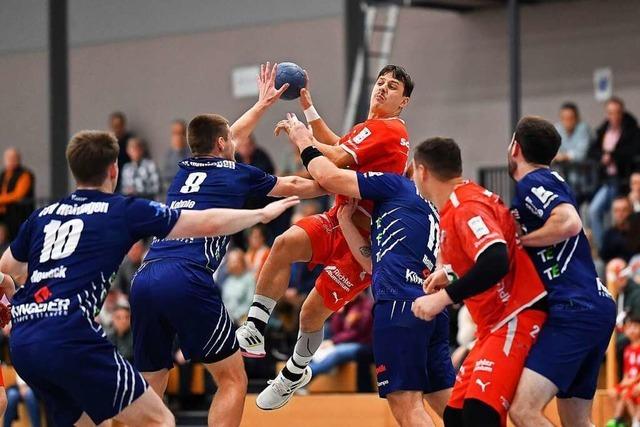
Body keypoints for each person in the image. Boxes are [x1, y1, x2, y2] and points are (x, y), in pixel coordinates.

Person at [0, 130, 298, 427]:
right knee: (160, 421)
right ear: (114, 170)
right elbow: (204, 222)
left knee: (92, 423)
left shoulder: (42, 215)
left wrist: (13, 296)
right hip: (70, 336)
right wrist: (260, 214)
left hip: (24, 341)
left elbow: (5, 271)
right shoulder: (122, 210)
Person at [129, 63, 324, 427]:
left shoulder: (185, 170)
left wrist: (262, 104)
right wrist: (343, 181)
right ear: (222, 146)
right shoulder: (239, 174)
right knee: (233, 378)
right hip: (186, 277)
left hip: (145, 278)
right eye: (230, 141)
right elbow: (298, 187)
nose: (235, 141)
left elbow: (227, 134)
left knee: (151, 382)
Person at [257, 114, 455, 426]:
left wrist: (301, 137)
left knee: (406, 406)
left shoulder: (394, 186)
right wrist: (311, 111)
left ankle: (290, 367)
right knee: (445, 403)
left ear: (418, 168)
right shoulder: (434, 209)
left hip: (400, 304)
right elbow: (342, 149)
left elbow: (331, 170)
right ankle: (274, 347)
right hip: (430, 304)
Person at [238, 65, 414, 395]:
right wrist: (307, 105)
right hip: (337, 218)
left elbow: (333, 156)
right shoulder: (371, 129)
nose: (382, 88)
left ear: (403, 102)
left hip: (360, 239)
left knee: (310, 314)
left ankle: (295, 373)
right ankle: (255, 326)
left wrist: (300, 137)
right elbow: (338, 142)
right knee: (284, 242)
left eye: (392, 87)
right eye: (380, 82)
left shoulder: (391, 130)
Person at [410, 137, 547, 427]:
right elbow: (488, 255)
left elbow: (496, 259)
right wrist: (449, 273)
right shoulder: (461, 201)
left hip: (514, 314)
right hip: (492, 324)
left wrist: (443, 298)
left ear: (422, 171)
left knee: (479, 414)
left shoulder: (465, 206)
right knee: (456, 416)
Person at [505, 116, 616, 427]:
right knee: (576, 421)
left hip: (574, 307)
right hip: (594, 306)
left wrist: (520, 241)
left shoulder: (532, 183)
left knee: (523, 410)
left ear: (515, 148)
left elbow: (569, 222)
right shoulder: (549, 182)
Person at [588, 97, 640, 249]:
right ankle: (603, 246)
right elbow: (593, 150)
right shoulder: (604, 130)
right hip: (607, 180)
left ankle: (626, 246)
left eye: (617, 112)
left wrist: (613, 156)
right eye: (610, 113)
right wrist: (602, 157)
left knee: (621, 215)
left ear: (621, 113)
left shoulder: (631, 130)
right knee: (594, 210)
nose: (614, 116)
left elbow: (632, 151)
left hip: (623, 179)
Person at [607, 315, 640, 427]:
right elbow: (626, 372)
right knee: (612, 392)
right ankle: (620, 420)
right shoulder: (627, 350)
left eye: (635, 327)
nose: (631, 330)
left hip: (636, 382)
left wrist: (631, 383)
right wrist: (623, 382)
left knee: (626, 393)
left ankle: (634, 421)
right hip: (630, 382)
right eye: (629, 327)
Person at [0, 148, 34, 240]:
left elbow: (18, 194)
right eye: (8, 158)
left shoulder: (25, 174)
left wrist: (1, 200)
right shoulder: (3, 174)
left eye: (13, 158)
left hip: (19, 214)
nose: (10, 161)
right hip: (4, 214)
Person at [221, 249, 255, 324]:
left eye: (235, 261)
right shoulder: (228, 280)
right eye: (230, 262)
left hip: (243, 318)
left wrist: (236, 316)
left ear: (242, 262)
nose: (233, 264)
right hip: (229, 318)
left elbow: (250, 302)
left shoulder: (249, 279)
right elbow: (224, 302)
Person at [601, 196, 635, 263]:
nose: (620, 214)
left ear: (631, 211)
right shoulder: (609, 234)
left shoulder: (637, 232)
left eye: (624, 210)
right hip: (614, 268)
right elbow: (604, 258)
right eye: (616, 211)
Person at [161, 119, 190, 191]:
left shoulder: (194, 154)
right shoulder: (168, 156)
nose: (178, 137)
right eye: (175, 133)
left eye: (181, 133)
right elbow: (164, 177)